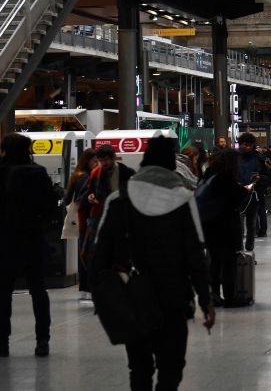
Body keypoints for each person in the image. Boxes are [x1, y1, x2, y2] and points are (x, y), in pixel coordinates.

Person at [92, 136, 213, 390]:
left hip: (132, 295)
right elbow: (195, 254)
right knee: (172, 366)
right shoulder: (182, 199)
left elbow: (100, 253)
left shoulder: (118, 200)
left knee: (139, 367)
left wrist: (103, 296)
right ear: (171, 164)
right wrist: (205, 299)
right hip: (174, 296)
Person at [0, 133, 58, 357]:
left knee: (4, 292)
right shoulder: (38, 173)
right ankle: (42, 341)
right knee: (38, 290)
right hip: (32, 239)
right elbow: (50, 206)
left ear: (5, 150)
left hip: (4, 239)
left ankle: (2, 341)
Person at [196, 148, 249, 307]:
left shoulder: (208, 174)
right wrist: (245, 190)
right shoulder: (225, 177)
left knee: (214, 260)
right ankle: (230, 297)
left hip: (209, 224)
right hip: (225, 226)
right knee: (229, 262)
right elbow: (237, 197)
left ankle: (214, 295)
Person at [79, 145, 134, 271]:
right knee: (97, 254)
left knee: (121, 254)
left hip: (122, 219)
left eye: (106, 160)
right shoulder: (95, 174)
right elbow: (88, 193)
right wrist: (90, 197)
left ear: (113, 158)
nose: (103, 163)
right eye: (101, 160)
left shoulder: (127, 173)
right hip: (101, 220)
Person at [65, 147, 97, 300]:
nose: (97, 164)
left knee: (82, 251)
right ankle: (88, 287)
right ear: (88, 161)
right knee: (87, 252)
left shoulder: (76, 175)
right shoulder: (86, 177)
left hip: (79, 217)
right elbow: (83, 198)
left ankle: (84, 287)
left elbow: (67, 198)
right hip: (86, 217)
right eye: (95, 161)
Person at [236, 133, 263, 251]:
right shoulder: (234, 157)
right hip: (237, 194)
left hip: (253, 194)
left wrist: (260, 180)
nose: (247, 147)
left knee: (251, 225)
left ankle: (249, 249)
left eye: (250, 145)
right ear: (240, 144)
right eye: (245, 145)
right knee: (239, 224)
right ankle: (240, 250)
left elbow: (269, 175)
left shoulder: (259, 158)